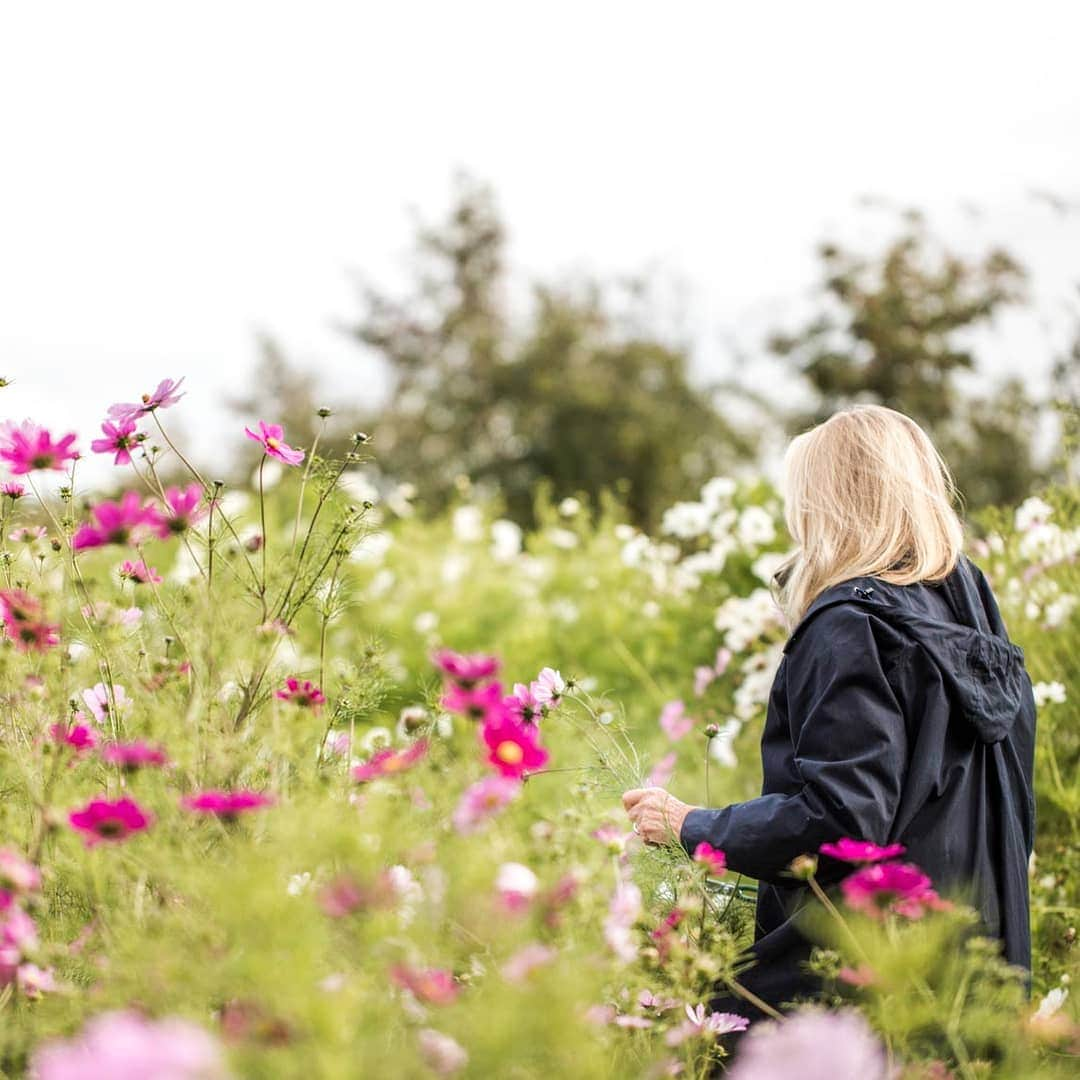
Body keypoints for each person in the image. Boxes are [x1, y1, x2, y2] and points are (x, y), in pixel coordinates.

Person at [622, 403, 1037, 1020]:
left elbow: (842, 821)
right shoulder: (977, 625)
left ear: (831, 506)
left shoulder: (852, 627)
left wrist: (694, 826)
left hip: (861, 987)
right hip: (978, 991)